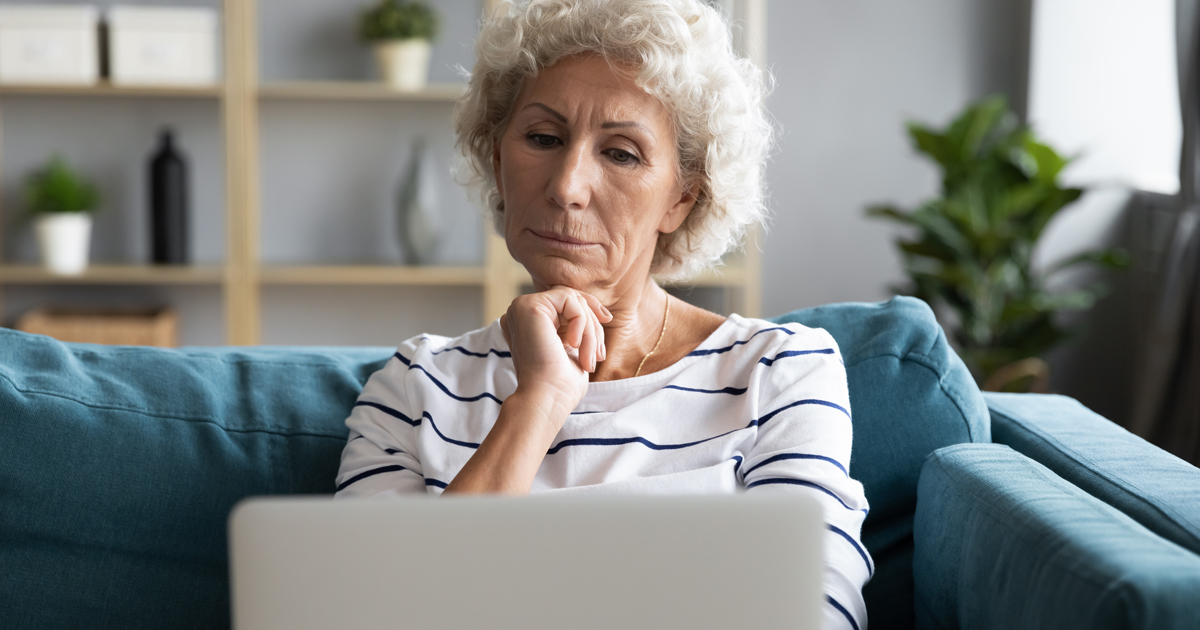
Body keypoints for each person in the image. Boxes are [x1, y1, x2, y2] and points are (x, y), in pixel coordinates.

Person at [335, 1, 871, 627]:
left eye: (621, 153)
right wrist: (538, 402)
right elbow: (372, 613)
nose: (567, 186)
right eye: (542, 138)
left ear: (682, 196)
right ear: (498, 160)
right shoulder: (413, 384)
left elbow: (819, 612)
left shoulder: (781, 371)